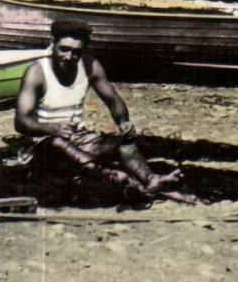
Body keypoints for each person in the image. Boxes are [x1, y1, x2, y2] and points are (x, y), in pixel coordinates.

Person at [14, 20, 184, 198]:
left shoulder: (89, 66)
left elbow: (113, 100)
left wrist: (123, 122)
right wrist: (52, 128)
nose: (69, 56)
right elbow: (21, 122)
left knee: (124, 144)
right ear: (52, 43)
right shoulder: (37, 72)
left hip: (79, 140)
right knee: (58, 143)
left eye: (76, 52)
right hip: (44, 145)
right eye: (64, 49)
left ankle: (150, 179)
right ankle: (120, 180)